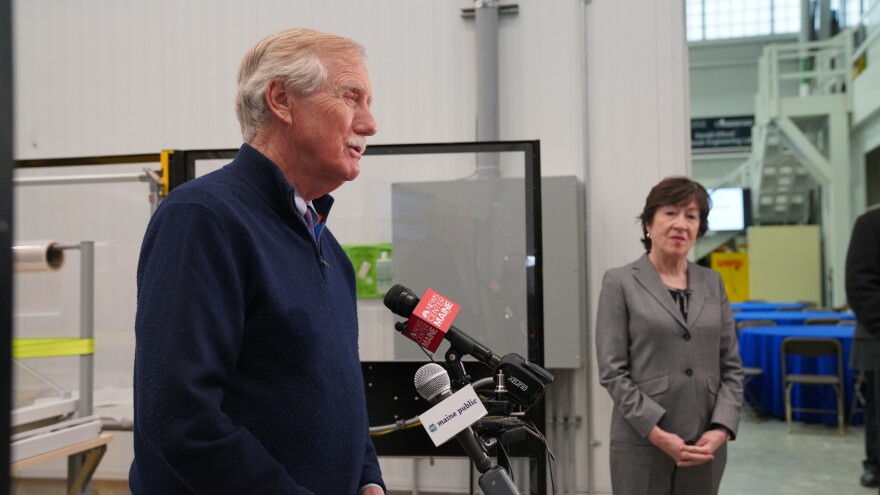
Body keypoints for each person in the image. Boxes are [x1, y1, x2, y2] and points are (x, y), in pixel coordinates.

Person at [129, 28, 384, 494]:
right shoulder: (203, 219)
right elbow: (180, 418)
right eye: (352, 97)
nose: (369, 124)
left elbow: (339, 399)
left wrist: (368, 479)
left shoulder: (330, 251)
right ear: (282, 100)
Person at [595, 176, 744, 495]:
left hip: (705, 443)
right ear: (649, 222)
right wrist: (657, 432)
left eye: (691, 216)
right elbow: (612, 372)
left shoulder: (712, 282)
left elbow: (731, 367)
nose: (681, 224)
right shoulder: (620, 282)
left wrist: (722, 429)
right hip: (642, 440)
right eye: (670, 213)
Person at [845, 207, 880, 490]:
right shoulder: (870, 223)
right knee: (876, 409)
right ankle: (875, 464)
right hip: (878, 340)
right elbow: (860, 286)